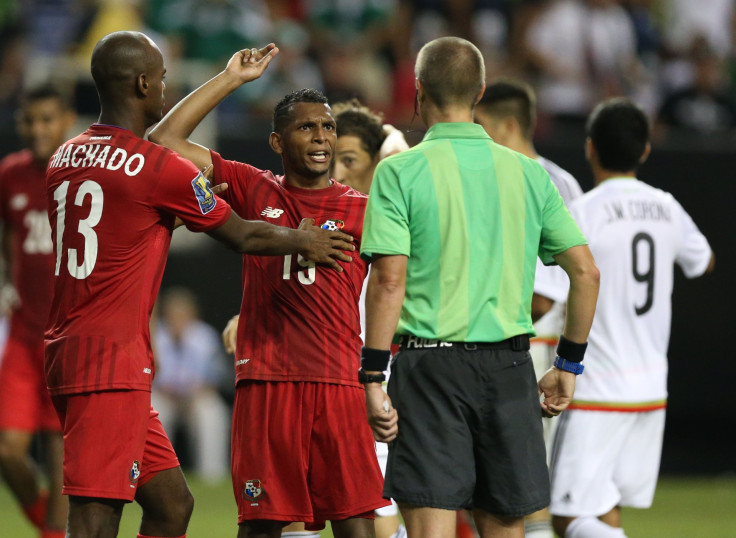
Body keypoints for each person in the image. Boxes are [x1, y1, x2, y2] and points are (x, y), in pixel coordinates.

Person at [45, 31, 355, 538]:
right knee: (94, 520)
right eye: (164, 78)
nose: (166, 87)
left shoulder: (66, 157)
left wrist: (173, 215)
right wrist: (304, 243)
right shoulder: (156, 167)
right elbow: (241, 234)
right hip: (108, 363)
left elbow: (123, 225)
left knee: (172, 506)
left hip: (76, 350)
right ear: (143, 83)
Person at [359, 36, 600, 538]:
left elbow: (388, 281)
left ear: (419, 92)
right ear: (480, 91)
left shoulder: (398, 172)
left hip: (428, 370)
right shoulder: (529, 174)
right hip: (509, 370)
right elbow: (585, 273)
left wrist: (373, 376)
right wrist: (567, 367)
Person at [149, 45, 387, 538]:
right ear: (277, 142)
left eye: (327, 127)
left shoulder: (365, 209)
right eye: (306, 127)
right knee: (260, 527)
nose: (321, 138)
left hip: (338, 384)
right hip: (268, 383)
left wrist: (378, 377)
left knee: (356, 526)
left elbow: (397, 286)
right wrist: (231, 78)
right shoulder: (253, 186)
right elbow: (163, 139)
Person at [548, 98, 714, 538]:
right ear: (644, 150)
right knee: (603, 508)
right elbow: (704, 260)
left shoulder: (584, 211)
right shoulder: (666, 206)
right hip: (650, 390)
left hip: (598, 391)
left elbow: (547, 290)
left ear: (590, 148)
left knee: (566, 516)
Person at [474, 77, 585, 538]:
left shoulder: (545, 180)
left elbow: (553, 286)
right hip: (508, 344)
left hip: (530, 347)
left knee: (520, 485)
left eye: (481, 124)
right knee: (490, 482)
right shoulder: (500, 175)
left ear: (510, 124)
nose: (475, 132)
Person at [0, 84, 76, 538]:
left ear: (66, 119)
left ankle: (56, 529)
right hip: (24, 336)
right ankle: (51, 527)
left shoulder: (84, 173)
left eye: (47, 119)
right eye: (30, 119)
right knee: (8, 451)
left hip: (67, 339)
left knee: (58, 450)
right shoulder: (10, 174)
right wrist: (5, 277)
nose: (38, 128)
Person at [151, 287, 230, 484]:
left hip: (197, 397)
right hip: (164, 396)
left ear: (192, 315)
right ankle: (155, 476)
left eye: (182, 315)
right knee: (153, 409)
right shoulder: (156, 335)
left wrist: (198, 391)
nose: (178, 320)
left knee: (212, 412)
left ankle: (212, 476)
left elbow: (217, 376)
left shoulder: (204, 336)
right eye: (173, 315)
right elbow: (149, 375)